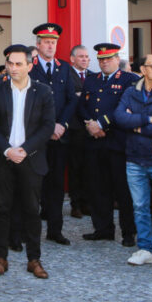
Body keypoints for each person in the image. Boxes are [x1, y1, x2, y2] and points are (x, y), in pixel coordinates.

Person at [0, 44, 55, 279]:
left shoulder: (43, 91)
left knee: (32, 210)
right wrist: (7, 150)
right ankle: (0, 258)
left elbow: (47, 126)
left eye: (18, 64)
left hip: (31, 159)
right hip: (3, 158)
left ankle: (34, 259)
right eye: (10, 64)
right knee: (1, 209)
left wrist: (24, 149)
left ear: (29, 65)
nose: (13, 68)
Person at [112, 54, 152, 270]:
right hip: (134, 158)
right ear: (143, 69)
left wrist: (136, 124)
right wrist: (147, 120)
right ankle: (146, 248)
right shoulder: (131, 91)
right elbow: (120, 117)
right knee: (139, 206)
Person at [79, 42, 137, 246]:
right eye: (101, 60)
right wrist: (90, 124)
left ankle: (129, 232)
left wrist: (101, 123)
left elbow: (126, 106)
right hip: (94, 142)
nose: (104, 63)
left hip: (117, 141)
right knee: (97, 187)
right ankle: (102, 229)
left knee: (123, 190)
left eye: (109, 59)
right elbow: (83, 106)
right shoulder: (92, 80)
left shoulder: (129, 80)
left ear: (117, 60)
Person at [28, 23, 78, 246]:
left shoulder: (64, 68)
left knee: (56, 186)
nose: (50, 45)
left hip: (59, 137)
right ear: (38, 45)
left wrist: (62, 125)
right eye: (46, 42)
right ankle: (28, 231)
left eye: (54, 42)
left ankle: (55, 230)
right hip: (37, 138)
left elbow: (70, 100)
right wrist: (46, 129)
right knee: (32, 186)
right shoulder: (30, 67)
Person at [67, 45, 93, 220]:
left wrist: (80, 96)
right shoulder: (67, 75)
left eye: (86, 57)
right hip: (74, 128)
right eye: (81, 56)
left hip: (90, 129)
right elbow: (69, 98)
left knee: (89, 168)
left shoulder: (93, 77)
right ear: (72, 59)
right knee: (75, 168)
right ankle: (75, 204)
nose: (84, 59)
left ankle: (87, 202)